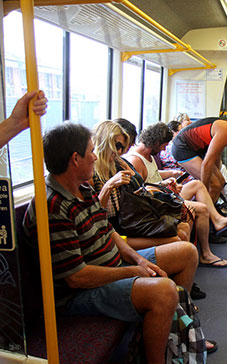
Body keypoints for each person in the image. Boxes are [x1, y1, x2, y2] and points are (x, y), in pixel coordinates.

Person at [23, 123, 202, 364]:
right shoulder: (53, 206)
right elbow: (76, 277)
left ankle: (173, 326)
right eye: (90, 152)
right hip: (80, 293)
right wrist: (134, 271)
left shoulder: (82, 189)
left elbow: (108, 231)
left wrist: (137, 258)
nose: (95, 157)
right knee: (163, 291)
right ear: (75, 159)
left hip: (112, 266)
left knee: (186, 252)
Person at [126, 122, 227, 267]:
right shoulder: (135, 160)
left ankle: (218, 220)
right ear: (155, 142)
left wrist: (168, 179)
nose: (164, 149)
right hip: (156, 202)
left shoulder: (148, 156)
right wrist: (164, 187)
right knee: (201, 208)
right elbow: (141, 193)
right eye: (163, 145)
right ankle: (206, 254)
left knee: (197, 184)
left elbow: (152, 177)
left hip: (163, 194)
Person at [171, 117, 227, 201]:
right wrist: (204, 190)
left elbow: (216, 156)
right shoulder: (225, 129)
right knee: (214, 184)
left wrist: (218, 174)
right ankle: (199, 214)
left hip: (194, 150)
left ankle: (207, 214)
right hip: (182, 147)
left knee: (220, 182)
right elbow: (207, 163)